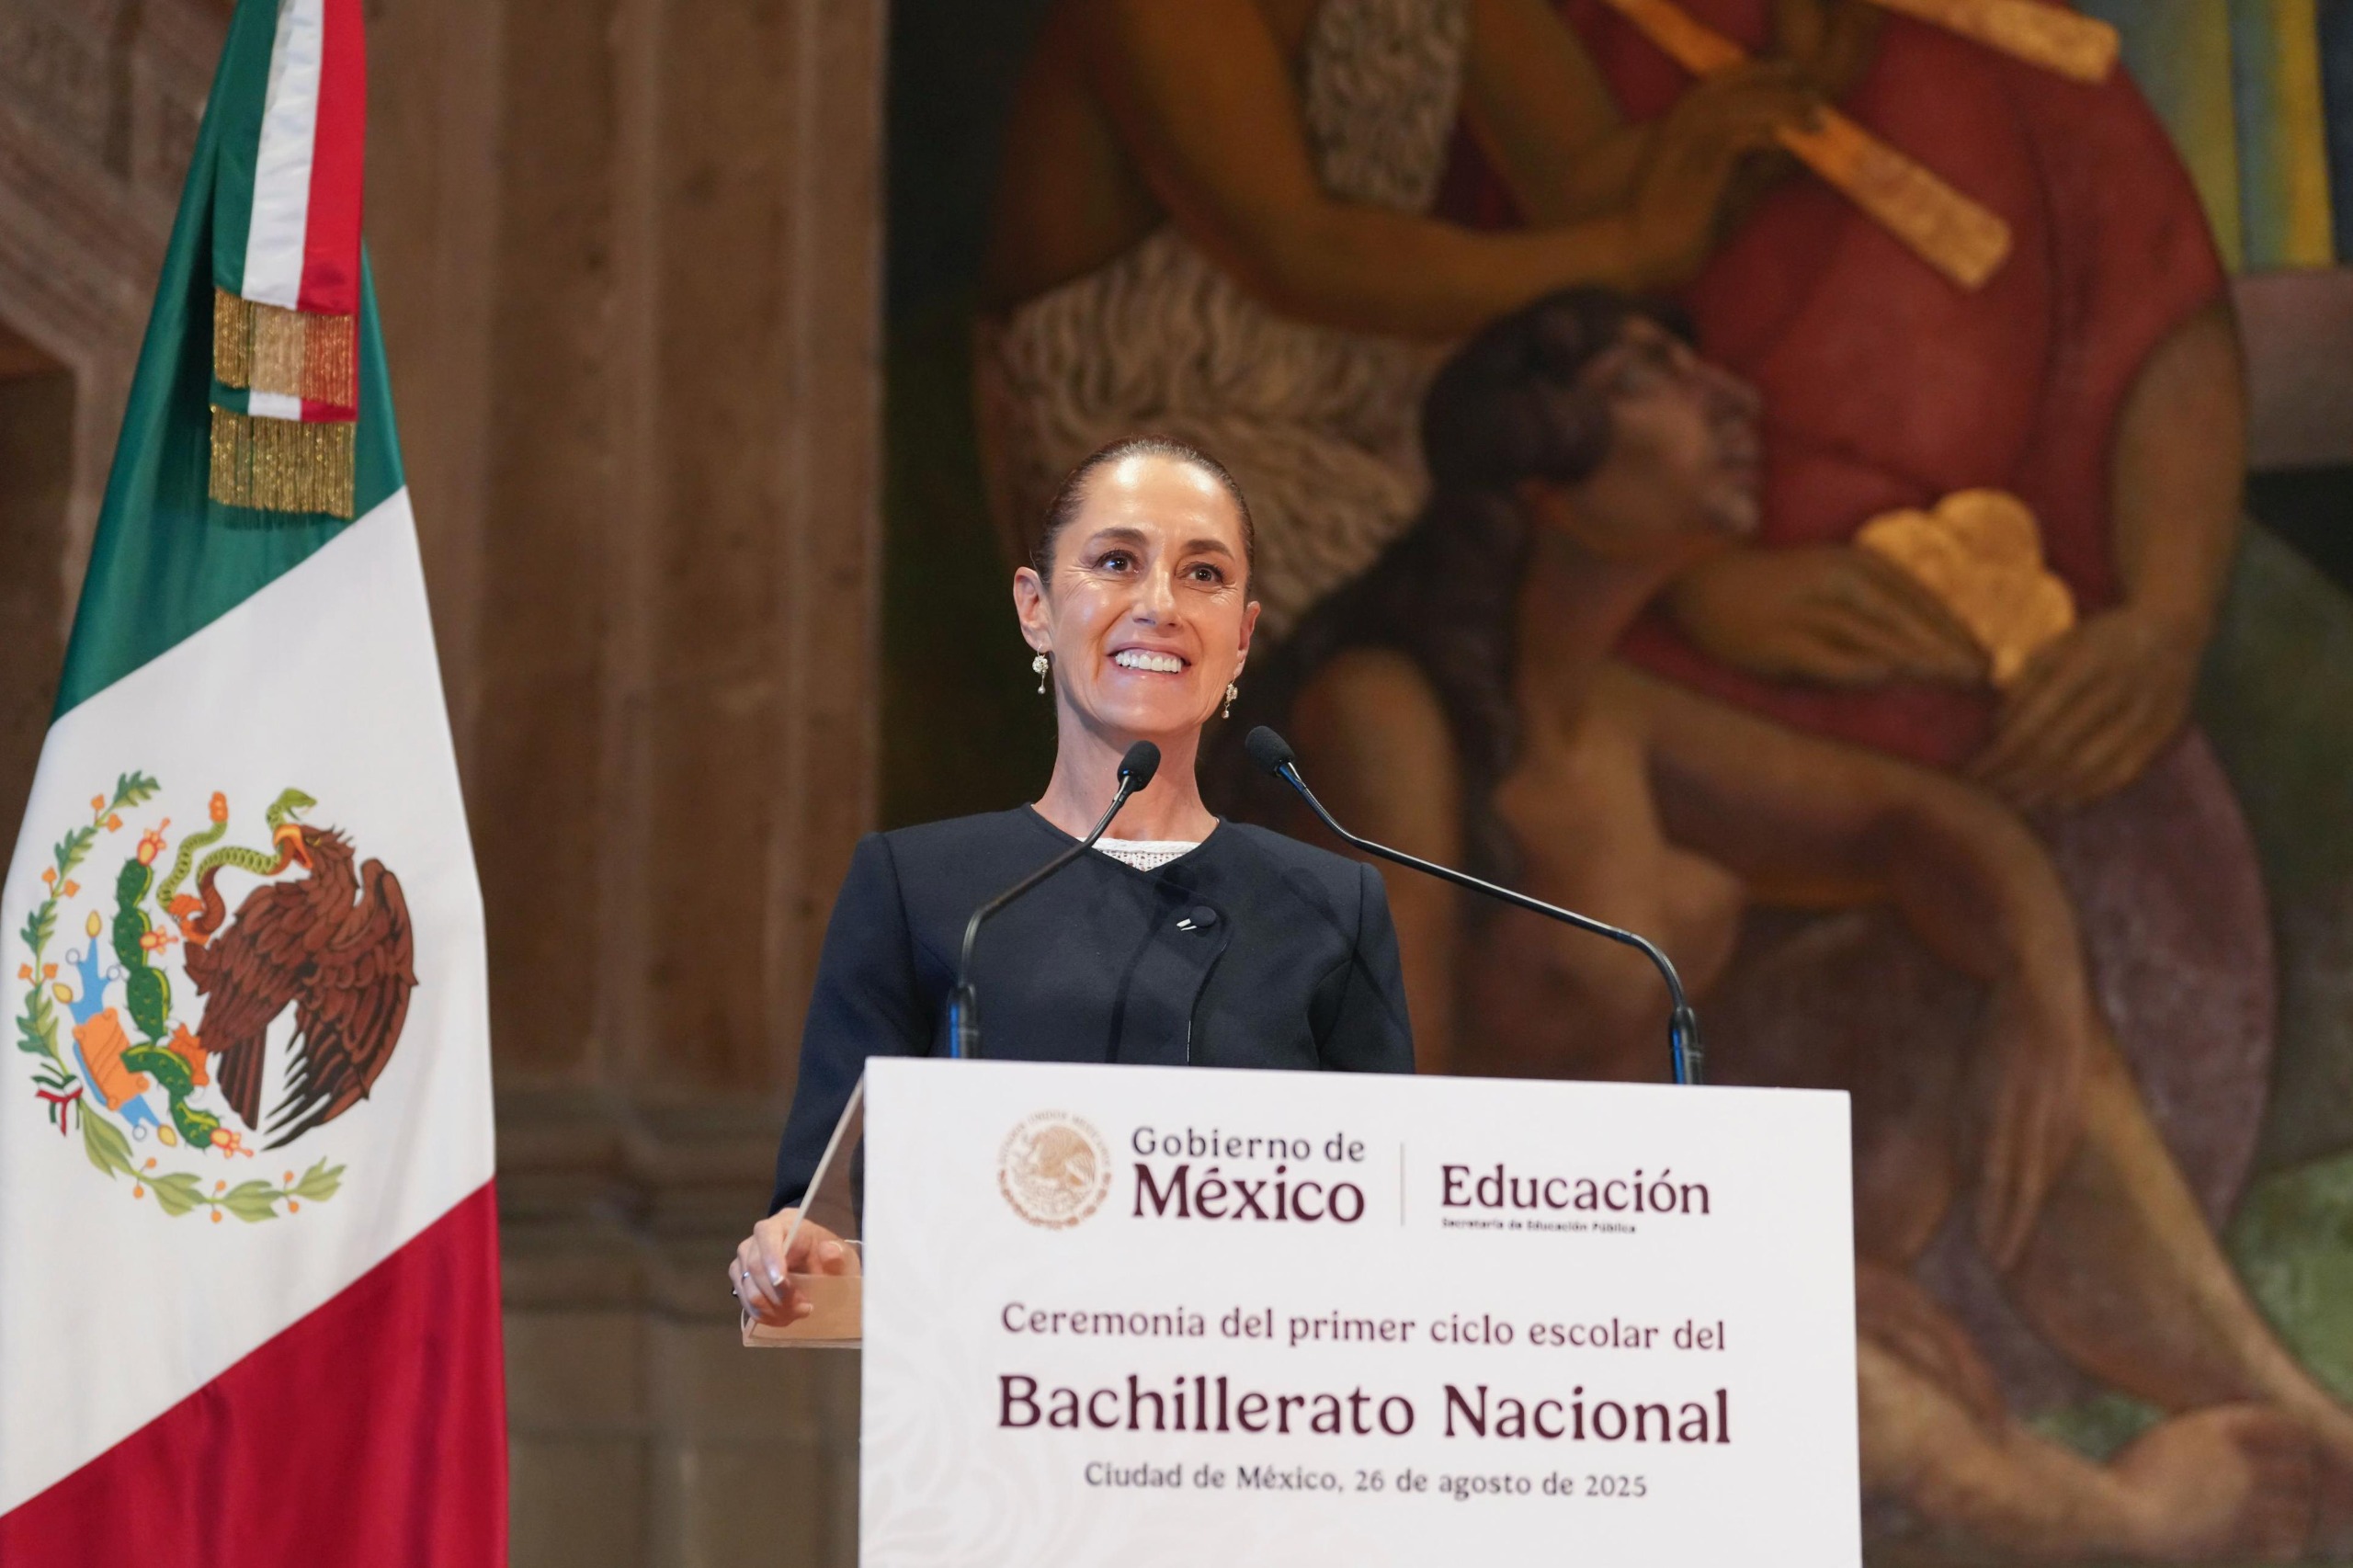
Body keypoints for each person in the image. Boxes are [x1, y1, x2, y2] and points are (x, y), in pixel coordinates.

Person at [1223, 291, 2352, 1559]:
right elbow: (1390, 1158)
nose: (1732, 396)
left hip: (1679, 1259)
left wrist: (2042, 976)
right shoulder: (1383, 720)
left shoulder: (1608, 711)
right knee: (1886, 1408)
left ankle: (2314, 1427)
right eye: (1651, 373)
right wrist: (1772, 1271)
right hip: (1491, 1318)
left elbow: (1921, 831)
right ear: (1543, 481)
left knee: (1963, 983)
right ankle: (2123, 1522)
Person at [732, 437, 1415, 1326]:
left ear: (1242, 636)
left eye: (1204, 573)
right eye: (1116, 561)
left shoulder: (1333, 904)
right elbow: (824, 1216)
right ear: (1036, 607)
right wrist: (794, 1249)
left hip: (1254, 1422)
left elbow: (1392, 1224)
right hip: (998, 1419)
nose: (1160, 603)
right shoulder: (919, 886)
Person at [976, 0, 1817, 640]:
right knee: (1462, 644)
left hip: (1363, 380)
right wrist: (1630, 250)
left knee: (1617, 496)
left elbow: (1586, 188)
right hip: (1158, 423)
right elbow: (1299, 255)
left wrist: (1787, 82)